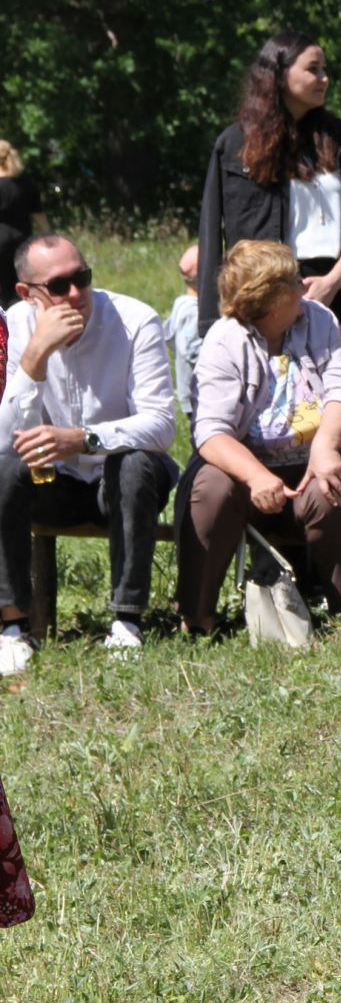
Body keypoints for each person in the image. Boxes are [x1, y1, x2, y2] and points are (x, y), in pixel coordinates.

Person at [0, 235, 176, 669]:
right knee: (3, 471)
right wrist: (35, 359)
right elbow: (5, 441)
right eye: (59, 286)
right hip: (54, 484)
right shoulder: (17, 325)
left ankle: (127, 621)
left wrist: (82, 437)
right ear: (28, 293)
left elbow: (161, 425)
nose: (76, 294)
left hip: (121, 482)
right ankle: (12, 628)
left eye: (83, 278)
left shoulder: (135, 319)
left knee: (133, 464)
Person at [174, 241, 341, 635]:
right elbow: (210, 432)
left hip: (309, 459)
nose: (303, 285)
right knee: (210, 486)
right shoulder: (225, 339)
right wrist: (257, 476)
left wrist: (326, 446)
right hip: (247, 467)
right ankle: (198, 619)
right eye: (294, 281)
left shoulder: (319, 319)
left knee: (334, 484)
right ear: (269, 299)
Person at [198, 31, 341, 362]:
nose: (324, 78)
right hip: (259, 299)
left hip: (331, 296)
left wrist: (331, 284)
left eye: (324, 69)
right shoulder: (235, 144)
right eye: (313, 69)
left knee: (334, 402)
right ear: (279, 73)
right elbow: (211, 232)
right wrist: (210, 321)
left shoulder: (340, 140)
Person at [0, 141, 48, 309]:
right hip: (24, 240)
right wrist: (49, 236)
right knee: (22, 284)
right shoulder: (26, 182)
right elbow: (38, 214)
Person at [165, 244, 203, 421]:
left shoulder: (180, 303)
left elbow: (168, 334)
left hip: (192, 391)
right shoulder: (192, 311)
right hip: (197, 393)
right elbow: (190, 349)